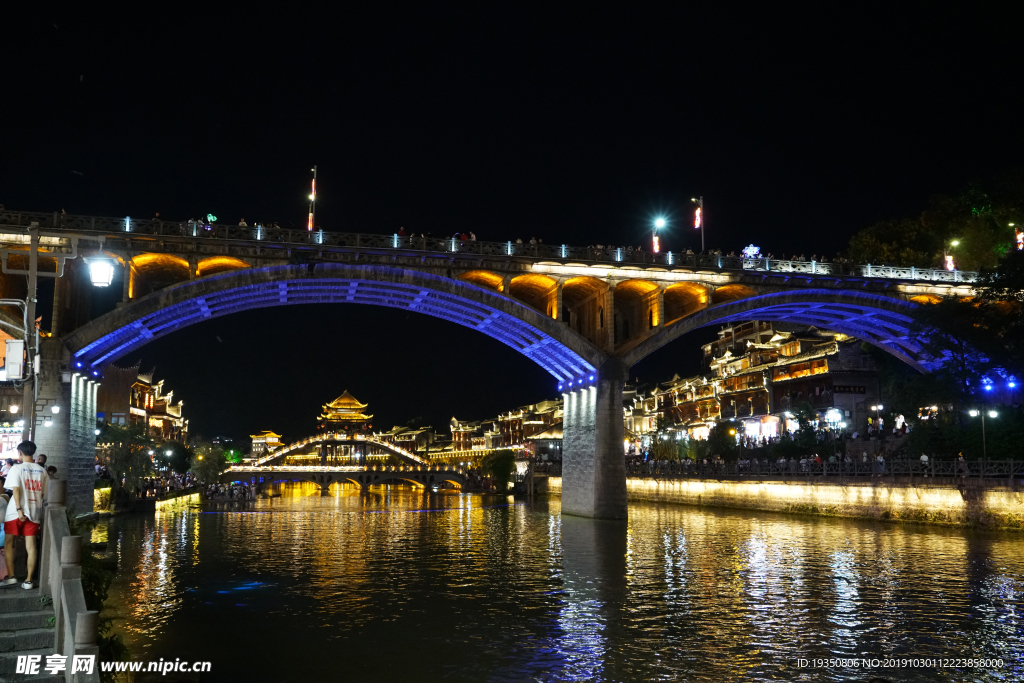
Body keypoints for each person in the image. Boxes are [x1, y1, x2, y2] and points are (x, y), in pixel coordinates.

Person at [3, 441, 47, 589]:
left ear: (19, 453)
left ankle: (11, 577)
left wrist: (19, 509)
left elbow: (15, 490)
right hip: (34, 511)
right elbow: (45, 494)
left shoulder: (16, 468)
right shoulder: (42, 471)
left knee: (9, 542)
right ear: (33, 452)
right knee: (31, 545)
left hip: (14, 512)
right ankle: (28, 581)